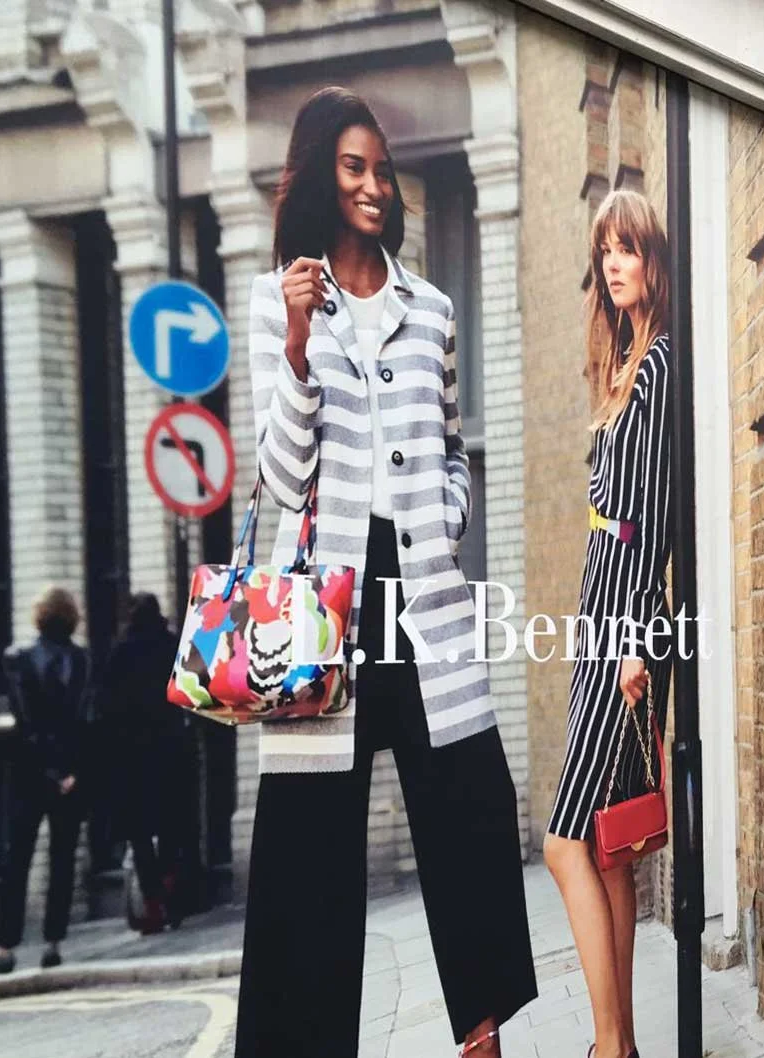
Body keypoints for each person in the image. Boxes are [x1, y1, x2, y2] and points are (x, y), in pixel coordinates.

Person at [236, 85, 537, 1058]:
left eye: (380, 169)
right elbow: (281, 476)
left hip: (420, 598)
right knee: (309, 850)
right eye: (351, 167)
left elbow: (450, 449)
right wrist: (293, 347)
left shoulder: (432, 308)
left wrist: (446, 524)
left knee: (466, 808)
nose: (371, 185)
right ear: (321, 174)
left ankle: (479, 1035)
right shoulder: (275, 297)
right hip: (323, 608)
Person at [543, 189, 674, 1058]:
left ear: (651, 258)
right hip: (602, 612)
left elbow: (653, 513)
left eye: (628, 247)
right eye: (606, 250)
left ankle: (607, 1045)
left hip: (624, 617)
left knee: (563, 845)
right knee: (611, 847)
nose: (614, 262)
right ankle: (619, 1041)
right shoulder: (622, 368)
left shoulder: (658, 368)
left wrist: (628, 636)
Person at [0, 586, 93, 974]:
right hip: (70, 775)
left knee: (17, 860)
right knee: (62, 859)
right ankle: (53, 943)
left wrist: (51, 770)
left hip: (28, 772)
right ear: (72, 617)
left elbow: (26, 720)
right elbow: (85, 721)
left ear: (39, 617)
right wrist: (71, 772)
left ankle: (5, 948)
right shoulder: (83, 660)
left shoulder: (18, 659)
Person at [99, 592, 191, 935]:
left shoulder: (120, 653)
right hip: (169, 750)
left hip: (132, 757)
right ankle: (169, 890)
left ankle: (152, 904)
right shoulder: (171, 645)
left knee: (138, 833)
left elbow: (107, 707)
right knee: (171, 827)